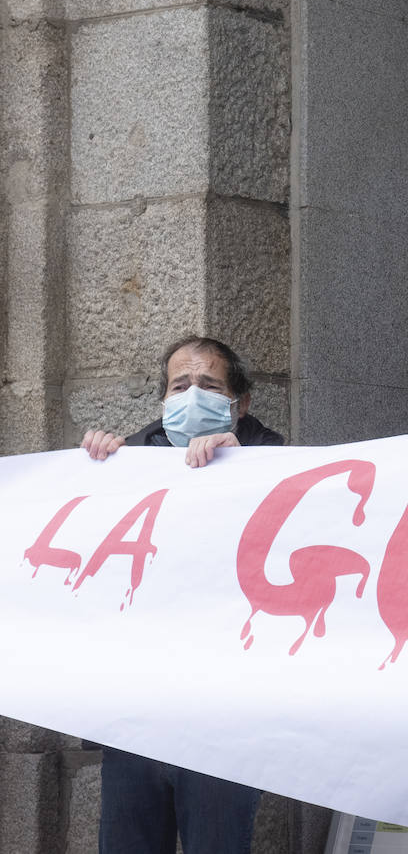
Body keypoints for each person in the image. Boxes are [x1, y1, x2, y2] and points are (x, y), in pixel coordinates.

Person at [83, 335, 284, 854]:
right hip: (137, 713)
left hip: (225, 720)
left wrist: (250, 477)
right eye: (180, 385)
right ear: (164, 400)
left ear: (240, 404)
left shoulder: (283, 467)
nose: (192, 394)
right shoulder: (128, 466)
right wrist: (97, 472)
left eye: (209, 385)